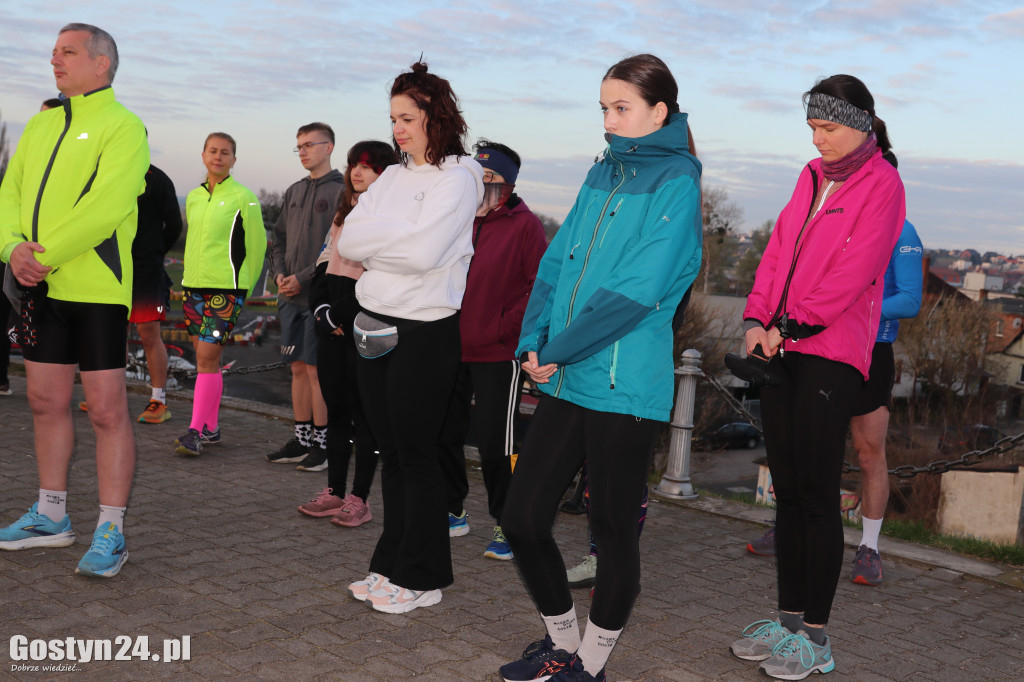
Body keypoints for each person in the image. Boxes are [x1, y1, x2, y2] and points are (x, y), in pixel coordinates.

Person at [499, 54, 702, 682]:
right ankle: (562, 641)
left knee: (613, 529)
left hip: (623, 385)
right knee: (522, 517)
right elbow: (558, 264)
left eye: (623, 108)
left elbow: (638, 292)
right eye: (604, 108)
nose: (609, 121)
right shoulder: (603, 171)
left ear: (658, 112)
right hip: (568, 375)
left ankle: (591, 663)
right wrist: (534, 339)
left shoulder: (678, 182)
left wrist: (554, 351)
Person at [730, 75, 905, 679]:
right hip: (781, 344)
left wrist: (793, 326)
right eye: (812, 126)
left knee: (816, 497)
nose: (817, 137)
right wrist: (756, 316)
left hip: (830, 352)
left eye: (827, 126)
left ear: (859, 122)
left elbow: (855, 271)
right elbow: (778, 250)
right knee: (789, 494)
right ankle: (786, 624)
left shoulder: (883, 184)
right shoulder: (809, 177)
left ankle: (817, 638)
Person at [0, 23, 149, 578]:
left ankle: (110, 528)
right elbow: (9, 192)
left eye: (67, 52)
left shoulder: (124, 126)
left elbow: (107, 204)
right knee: (44, 402)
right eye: (54, 52)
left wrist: (45, 253)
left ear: (101, 63)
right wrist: (13, 249)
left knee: (107, 409)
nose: (55, 60)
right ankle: (51, 516)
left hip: (94, 290)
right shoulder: (41, 125)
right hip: (39, 285)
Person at [339, 61, 484, 614]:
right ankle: (390, 564)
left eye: (407, 118)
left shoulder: (460, 176)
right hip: (372, 319)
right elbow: (351, 237)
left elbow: (426, 255)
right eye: (393, 118)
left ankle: (423, 577)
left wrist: (385, 241)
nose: (398, 129)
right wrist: (397, 239)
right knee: (390, 451)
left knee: (418, 456)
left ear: (435, 116)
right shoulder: (395, 176)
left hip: (425, 329)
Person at [746, 218, 924, 590]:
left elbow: (910, 300)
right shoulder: (831, 220)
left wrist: (848, 312)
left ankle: (869, 549)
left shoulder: (900, 230)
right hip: (814, 349)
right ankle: (789, 529)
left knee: (868, 452)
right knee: (803, 445)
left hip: (869, 351)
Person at [438, 139, 547, 560]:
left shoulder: (525, 225)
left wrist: (502, 327)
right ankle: (453, 509)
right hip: (449, 343)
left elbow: (538, 287)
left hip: (498, 351)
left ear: (508, 185)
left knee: (495, 444)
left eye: (491, 179)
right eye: (476, 177)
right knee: (444, 433)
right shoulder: (456, 216)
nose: (481, 187)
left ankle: (508, 523)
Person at [298, 140, 396, 526]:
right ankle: (335, 491)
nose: (357, 172)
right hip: (331, 325)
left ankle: (360, 498)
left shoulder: (388, 219)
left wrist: (339, 315)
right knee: (336, 411)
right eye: (355, 164)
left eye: (369, 166)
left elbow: (378, 278)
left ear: (385, 174)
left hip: (365, 322)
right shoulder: (342, 215)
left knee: (365, 416)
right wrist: (321, 311)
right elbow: (324, 265)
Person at [174, 133, 266, 456]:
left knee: (206, 358)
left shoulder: (245, 197)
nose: (218, 157)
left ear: (233, 160)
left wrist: (244, 288)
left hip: (225, 292)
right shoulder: (194, 198)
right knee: (206, 361)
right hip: (193, 288)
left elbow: (258, 246)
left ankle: (195, 432)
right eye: (213, 151)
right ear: (203, 155)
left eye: (225, 152)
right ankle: (212, 427)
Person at [266, 123, 345, 471]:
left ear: (328, 147)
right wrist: (280, 275)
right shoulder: (294, 190)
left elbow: (338, 249)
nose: (302, 151)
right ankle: (301, 440)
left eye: (309, 145)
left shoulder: (343, 192)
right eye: (298, 146)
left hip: (319, 298)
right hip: (289, 297)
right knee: (297, 368)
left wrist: (302, 278)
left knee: (317, 372)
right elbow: (278, 239)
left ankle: (323, 445)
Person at [131, 164, 183, 424]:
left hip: (147, 269)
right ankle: (110, 393)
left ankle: (158, 400)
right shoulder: (109, 170)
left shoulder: (158, 179)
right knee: (109, 329)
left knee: (148, 332)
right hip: (113, 266)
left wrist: (154, 250)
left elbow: (174, 224)